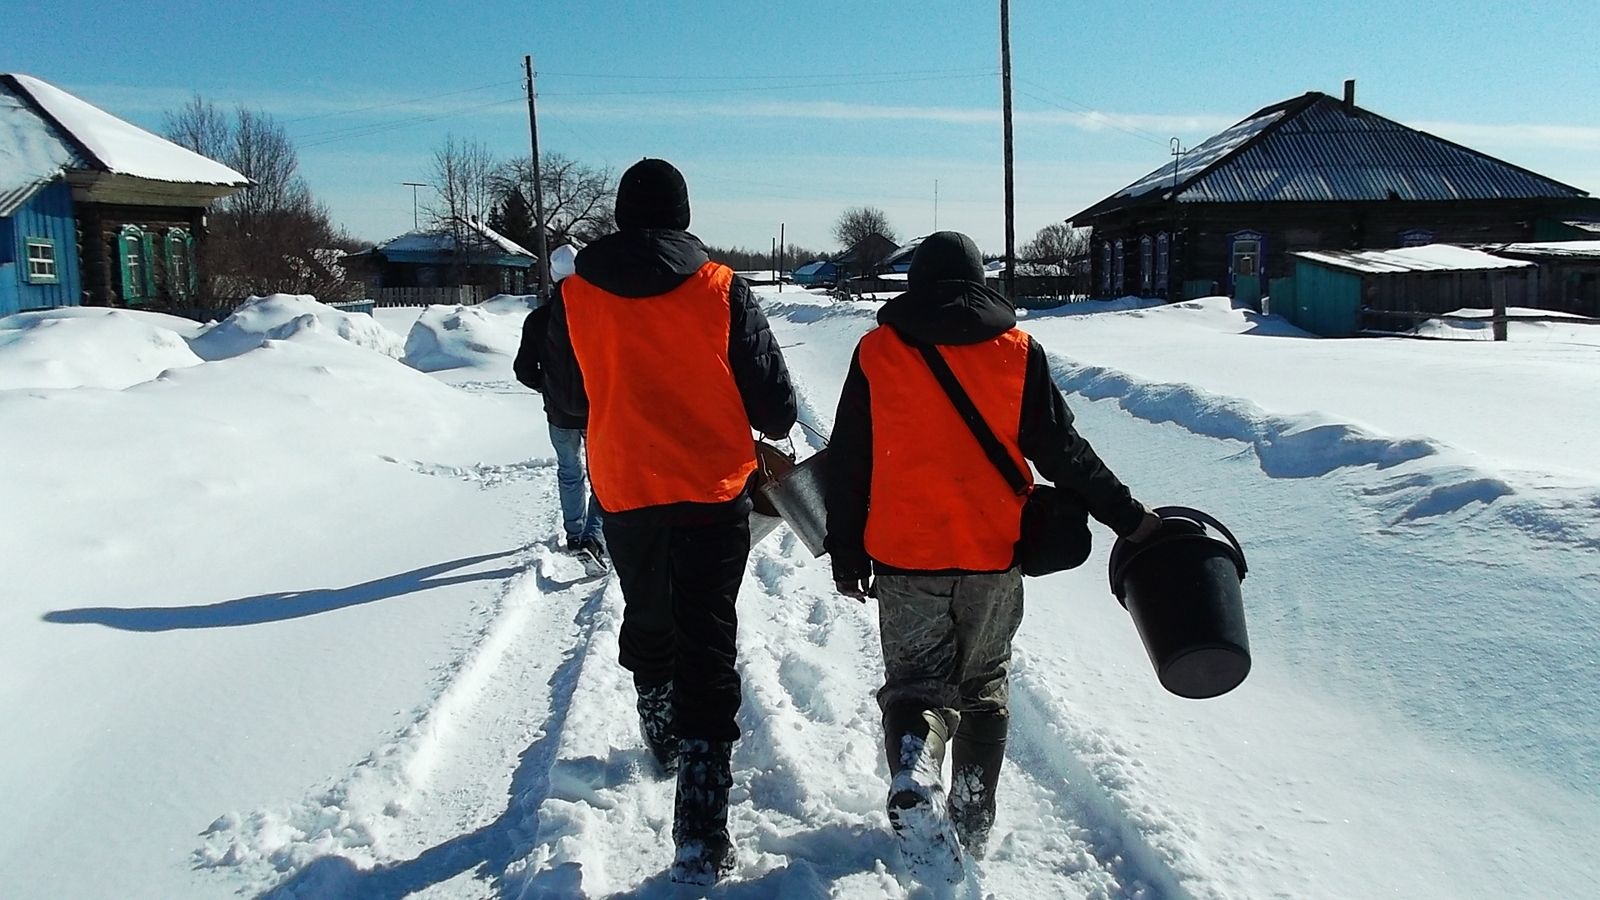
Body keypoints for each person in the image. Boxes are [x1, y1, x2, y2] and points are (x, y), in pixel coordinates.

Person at [824, 231, 1160, 875]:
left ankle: (916, 763)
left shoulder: (878, 351)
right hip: (990, 555)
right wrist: (1129, 517)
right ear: (980, 284)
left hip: (904, 557)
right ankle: (972, 829)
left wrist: (846, 551)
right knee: (981, 688)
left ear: (915, 284)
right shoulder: (1018, 351)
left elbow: (851, 462)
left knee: (916, 686)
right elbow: (1063, 452)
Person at [544, 158, 797, 885]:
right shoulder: (721, 289)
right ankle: (701, 826)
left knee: (649, 611)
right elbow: (776, 409)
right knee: (709, 636)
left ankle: (658, 721)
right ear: (684, 215)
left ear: (622, 215)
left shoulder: (576, 296)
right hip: (714, 494)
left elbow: (565, 403)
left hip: (624, 490)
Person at [513, 243, 606, 565]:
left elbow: (523, 370)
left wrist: (549, 387)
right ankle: (594, 538)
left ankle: (574, 534)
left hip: (558, 414)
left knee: (569, 473)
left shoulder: (538, 320)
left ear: (553, 277)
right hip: (598, 412)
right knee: (601, 477)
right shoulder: (603, 315)